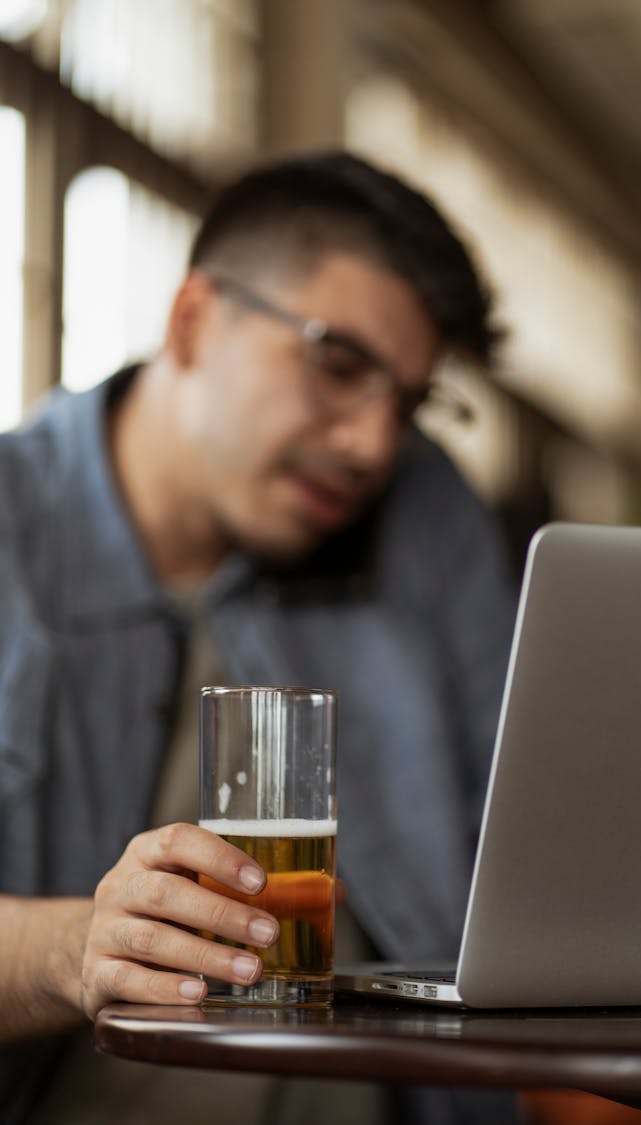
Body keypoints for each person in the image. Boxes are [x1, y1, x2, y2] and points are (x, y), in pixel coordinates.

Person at [0, 149, 518, 1123]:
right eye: (338, 363)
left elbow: (538, 835)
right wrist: (78, 949)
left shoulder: (424, 516)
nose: (373, 445)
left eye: (407, 403)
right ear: (192, 320)